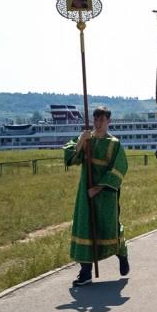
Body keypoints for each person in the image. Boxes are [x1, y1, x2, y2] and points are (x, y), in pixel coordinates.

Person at [64, 107, 129, 287]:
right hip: (86, 193)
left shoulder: (114, 144)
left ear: (109, 122)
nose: (98, 124)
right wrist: (80, 142)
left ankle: (122, 253)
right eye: (96, 120)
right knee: (86, 227)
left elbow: (119, 169)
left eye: (102, 120)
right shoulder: (86, 139)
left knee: (109, 229)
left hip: (106, 193)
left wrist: (99, 188)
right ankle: (85, 272)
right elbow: (71, 158)